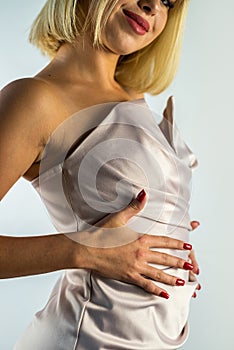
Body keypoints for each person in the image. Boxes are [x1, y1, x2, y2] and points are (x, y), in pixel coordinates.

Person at [0, 0, 201, 349]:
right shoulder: (35, 99)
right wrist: (82, 251)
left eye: (168, 2)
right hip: (85, 336)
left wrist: (171, 232)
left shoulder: (134, 99)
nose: (152, 5)